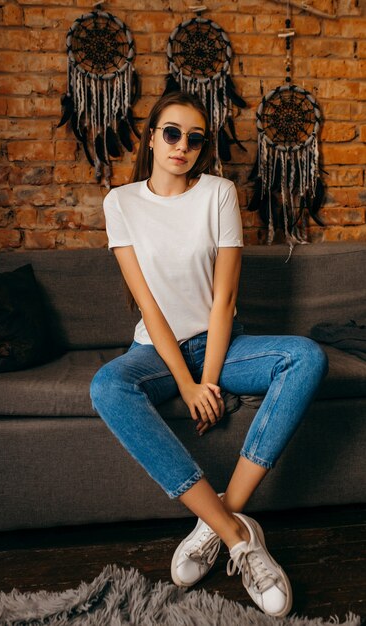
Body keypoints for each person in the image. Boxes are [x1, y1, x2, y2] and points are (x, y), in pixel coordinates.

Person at [90, 91, 328, 618]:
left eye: (194, 138)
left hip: (221, 342)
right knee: (106, 385)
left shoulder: (218, 194)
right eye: (171, 133)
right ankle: (240, 539)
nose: (182, 146)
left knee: (306, 357)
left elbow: (223, 301)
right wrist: (187, 384)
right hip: (156, 350)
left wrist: (211, 380)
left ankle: (222, 514)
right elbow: (148, 305)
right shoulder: (120, 202)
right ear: (151, 135)